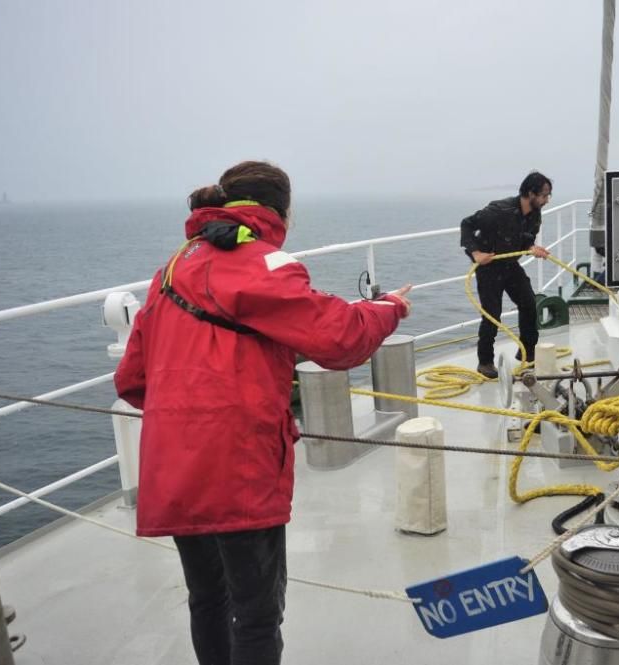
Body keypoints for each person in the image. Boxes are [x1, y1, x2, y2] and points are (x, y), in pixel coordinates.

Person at [113, 160, 411, 665]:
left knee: (207, 599)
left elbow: (132, 380)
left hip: (175, 467)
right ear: (282, 212)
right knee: (255, 614)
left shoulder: (170, 270)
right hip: (239, 465)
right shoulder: (266, 263)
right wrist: (388, 309)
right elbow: (339, 339)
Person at [460, 171, 552, 379]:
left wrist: (532, 248)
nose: (547, 200)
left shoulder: (535, 213)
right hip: (489, 268)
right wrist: (476, 254)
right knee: (492, 314)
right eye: (544, 195)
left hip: (510, 265)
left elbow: (526, 239)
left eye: (548, 195)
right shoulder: (498, 211)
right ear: (530, 193)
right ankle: (485, 362)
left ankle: (527, 354)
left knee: (529, 303)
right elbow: (467, 224)